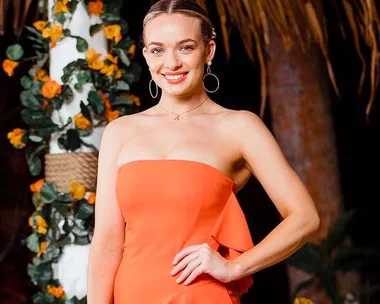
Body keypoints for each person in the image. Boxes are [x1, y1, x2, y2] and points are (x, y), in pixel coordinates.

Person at [87, 0, 320, 303]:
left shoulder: (239, 126)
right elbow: (106, 243)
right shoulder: (120, 131)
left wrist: (235, 266)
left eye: (185, 47)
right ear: (146, 56)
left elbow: (305, 218)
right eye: (158, 50)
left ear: (208, 51)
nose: (171, 63)